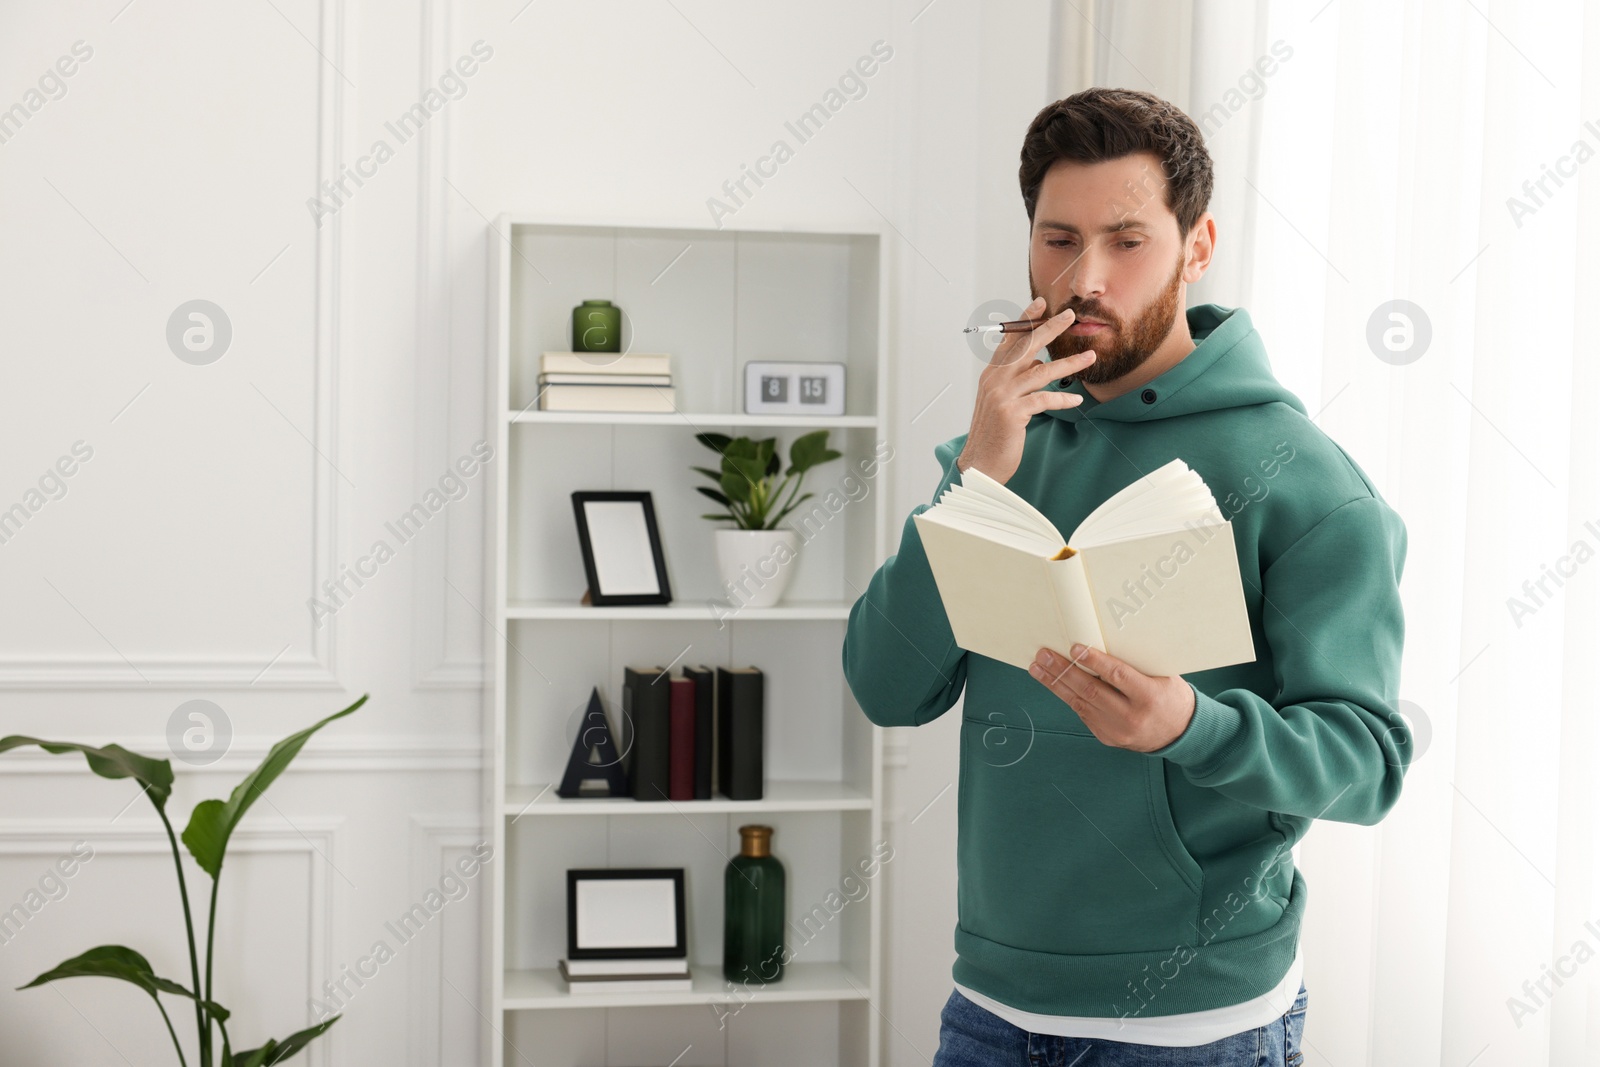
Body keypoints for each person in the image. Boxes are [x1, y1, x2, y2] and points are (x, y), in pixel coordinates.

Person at [841, 86, 1412, 1064]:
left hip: (1191, 1025)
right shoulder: (999, 446)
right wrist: (975, 478)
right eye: (1057, 239)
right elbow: (886, 689)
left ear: (1197, 246)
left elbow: (1365, 762)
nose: (1085, 277)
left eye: (1126, 240)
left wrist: (1186, 725)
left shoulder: (1305, 479)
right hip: (989, 1003)